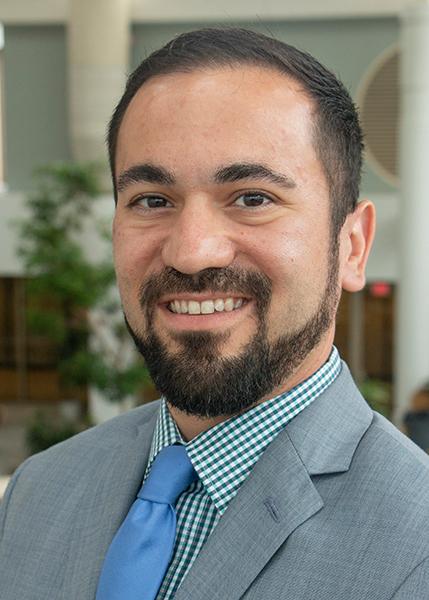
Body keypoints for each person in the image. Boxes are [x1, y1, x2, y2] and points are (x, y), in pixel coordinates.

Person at [1, 27, 429, 600]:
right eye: (153, 200)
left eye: (252, 198)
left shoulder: (416, 544)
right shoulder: (37, 493)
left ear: (352, 246)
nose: (192, 251)